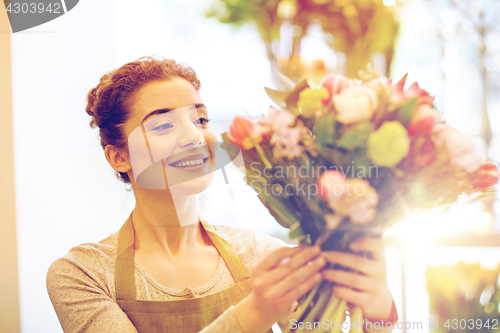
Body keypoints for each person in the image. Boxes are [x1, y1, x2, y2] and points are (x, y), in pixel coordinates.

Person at [46, 56, 397, 333]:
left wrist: (378, 310)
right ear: (119, 156)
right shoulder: (82, 274)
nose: (196, 138)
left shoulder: (261, 255)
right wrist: (255, 312)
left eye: (200, 120)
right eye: (164, 124)